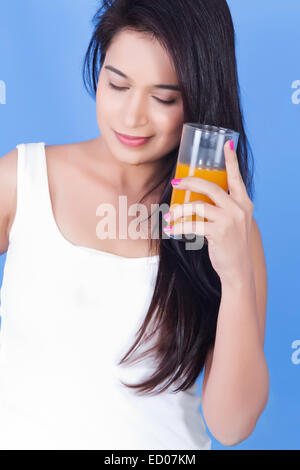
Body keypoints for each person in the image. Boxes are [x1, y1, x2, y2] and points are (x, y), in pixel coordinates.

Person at [0, 0, 269, 450]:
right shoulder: (23, 179)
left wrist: (237, 276)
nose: (131, 117)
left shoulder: (224, 227)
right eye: (117, 84)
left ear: (200, 100)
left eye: (164, 97)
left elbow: (232, 425)